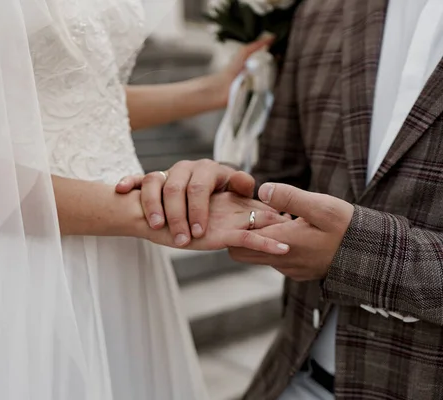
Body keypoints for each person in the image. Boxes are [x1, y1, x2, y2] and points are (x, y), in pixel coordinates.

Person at [0, 1, 285, 399]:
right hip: (22, 264)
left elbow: (77, 98)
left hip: (127, 257)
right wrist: (150, 213)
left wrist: (212, 92)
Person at [124, 0, 443, 398]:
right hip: (294, 376)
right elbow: (280, 174)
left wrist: (357, 251)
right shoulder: (320, 10)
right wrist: (228, 189)